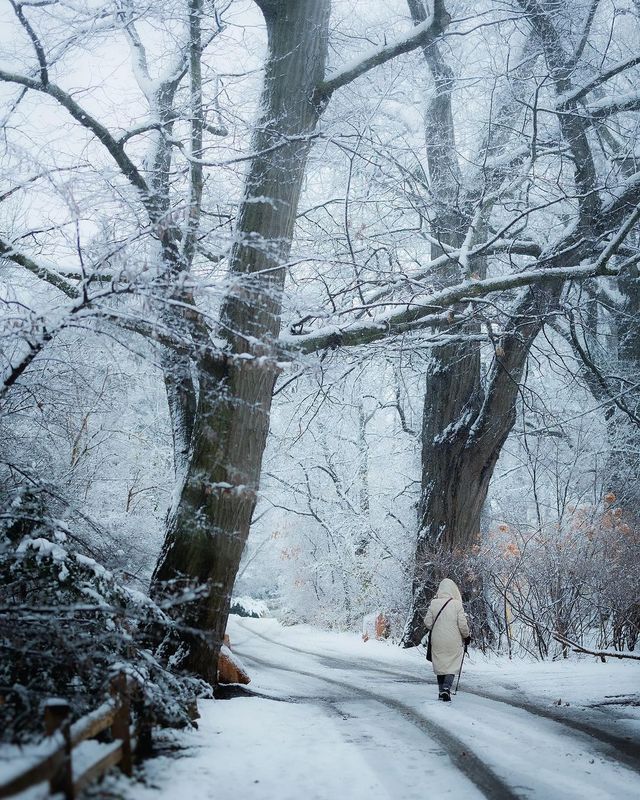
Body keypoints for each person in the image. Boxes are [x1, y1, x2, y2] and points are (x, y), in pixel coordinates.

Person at [424, 578, 471, 701]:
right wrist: (466, 636)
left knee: (440, 664)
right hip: (453, 640)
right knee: (451, 664)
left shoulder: (434, 603)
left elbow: (427, 623)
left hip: (438, 640)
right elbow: (462, 625)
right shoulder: (456, 604)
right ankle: (446, 688)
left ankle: (441, 691)